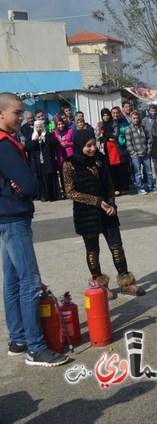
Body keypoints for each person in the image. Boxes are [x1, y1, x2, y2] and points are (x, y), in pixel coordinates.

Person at [0, 92, 70, 366]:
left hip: (6, 216)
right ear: (2, 113)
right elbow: (29, 185)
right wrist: (22, 184)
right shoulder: (5, 144)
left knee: (12, 282)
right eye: (16, 112)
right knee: (28, 282)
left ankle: (18, 340)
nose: (21, 117)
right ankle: (36, 347)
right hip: (14, 217)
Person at [63, 129, 145, 298]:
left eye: (94, 144)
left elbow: (109, 183)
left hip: (107, 210)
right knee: (93, 252)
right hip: (86, 214)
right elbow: (70, 192)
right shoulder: (69, 164)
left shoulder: (99, 158)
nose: (93, 149)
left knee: (117, 248)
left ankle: (126, 283)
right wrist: (97, 201)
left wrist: (112, 204)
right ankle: (100, 285)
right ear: (79, 146)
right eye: (88, 146)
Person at [24, 120, 60, 202]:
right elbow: (27, 147)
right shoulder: (31, 136)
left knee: (48, 177)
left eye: (40, 127)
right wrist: (34, 141)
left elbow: (54, 143)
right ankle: (42, 196)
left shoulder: (48, 134)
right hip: (36, 161)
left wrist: (45, 139)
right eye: (37, 127)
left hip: (47, 160)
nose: (39, 128)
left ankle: (51, 195)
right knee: (39, 178)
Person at [125, 111, 154, 195]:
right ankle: (140, 188)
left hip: (145, 153)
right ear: (131, 119)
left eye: (137, 118)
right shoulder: (128, 129)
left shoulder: (143, 127)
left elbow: (148, 139)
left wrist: (149, 150)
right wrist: (133, 152)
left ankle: (150, 186)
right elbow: (128, 143)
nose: (136, 120)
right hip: (136, 155)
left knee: (149, 172)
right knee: (138, 173)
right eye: (134, 118)